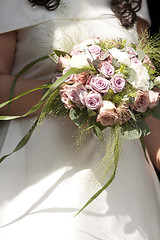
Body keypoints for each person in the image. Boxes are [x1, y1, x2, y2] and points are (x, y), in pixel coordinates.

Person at [0, 0, 160, 239]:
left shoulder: (131, 3)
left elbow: (146, 100)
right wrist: (70, 91)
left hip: (126, 180)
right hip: (39, 167)